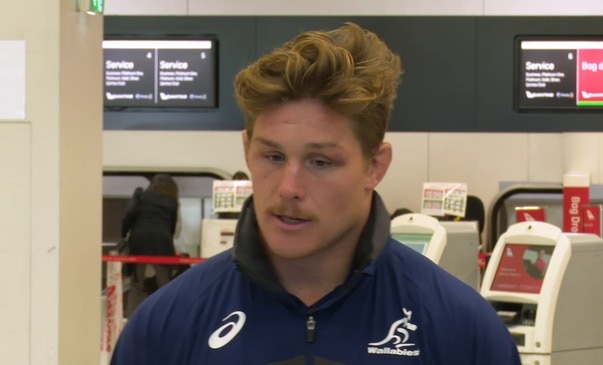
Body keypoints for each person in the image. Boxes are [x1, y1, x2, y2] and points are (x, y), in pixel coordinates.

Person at [111, 23, 521, 364]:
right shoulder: (166, 327)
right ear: (246, 150)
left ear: (375, 167)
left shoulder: (461, 332)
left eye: (320, 162)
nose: (289, 188)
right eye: (272, 156)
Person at [120, 173, 180, 317]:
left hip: (140, 241)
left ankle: (132, 317)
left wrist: (124, 233)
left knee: (137, 284)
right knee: (165, 284)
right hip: (162, 243)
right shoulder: (172, 201)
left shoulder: (141, 196)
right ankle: (168, 316)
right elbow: (172, 226)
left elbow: (129, 214)